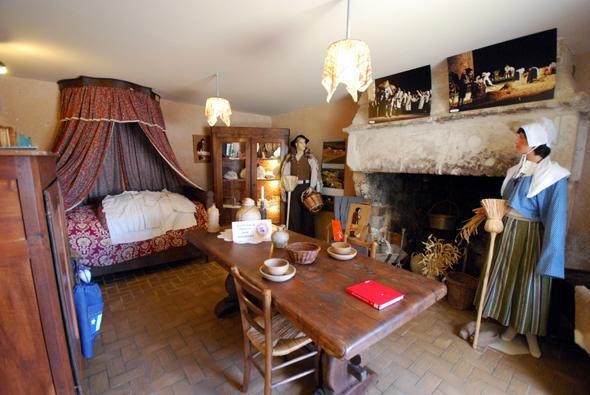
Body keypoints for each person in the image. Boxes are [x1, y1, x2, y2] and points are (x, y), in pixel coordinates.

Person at [476, 117, 569, 358]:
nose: (517, 141)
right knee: (508, 279)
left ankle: (529, 333)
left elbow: (556, 218)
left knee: (529, 283)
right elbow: (511, 203)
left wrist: (551, 255)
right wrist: (489, 211)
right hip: (508, 230)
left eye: (522, 138)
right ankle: (511, 328)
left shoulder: (554, 177)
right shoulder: (517, 170)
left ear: (536, 143)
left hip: (530, 235)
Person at [280, 134, 322, 237]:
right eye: (301, 142)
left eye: (305, 142)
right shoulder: (290, 158)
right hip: (293, 188)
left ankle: (308, 238)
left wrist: (311, 187)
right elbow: (285, 173)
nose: (304, 144)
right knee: (294, 214)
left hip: (306, 187)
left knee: (307, 214)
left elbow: (315, 173)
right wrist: (286, 187)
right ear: (296, 144)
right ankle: (294, 236)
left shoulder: (310, 157)